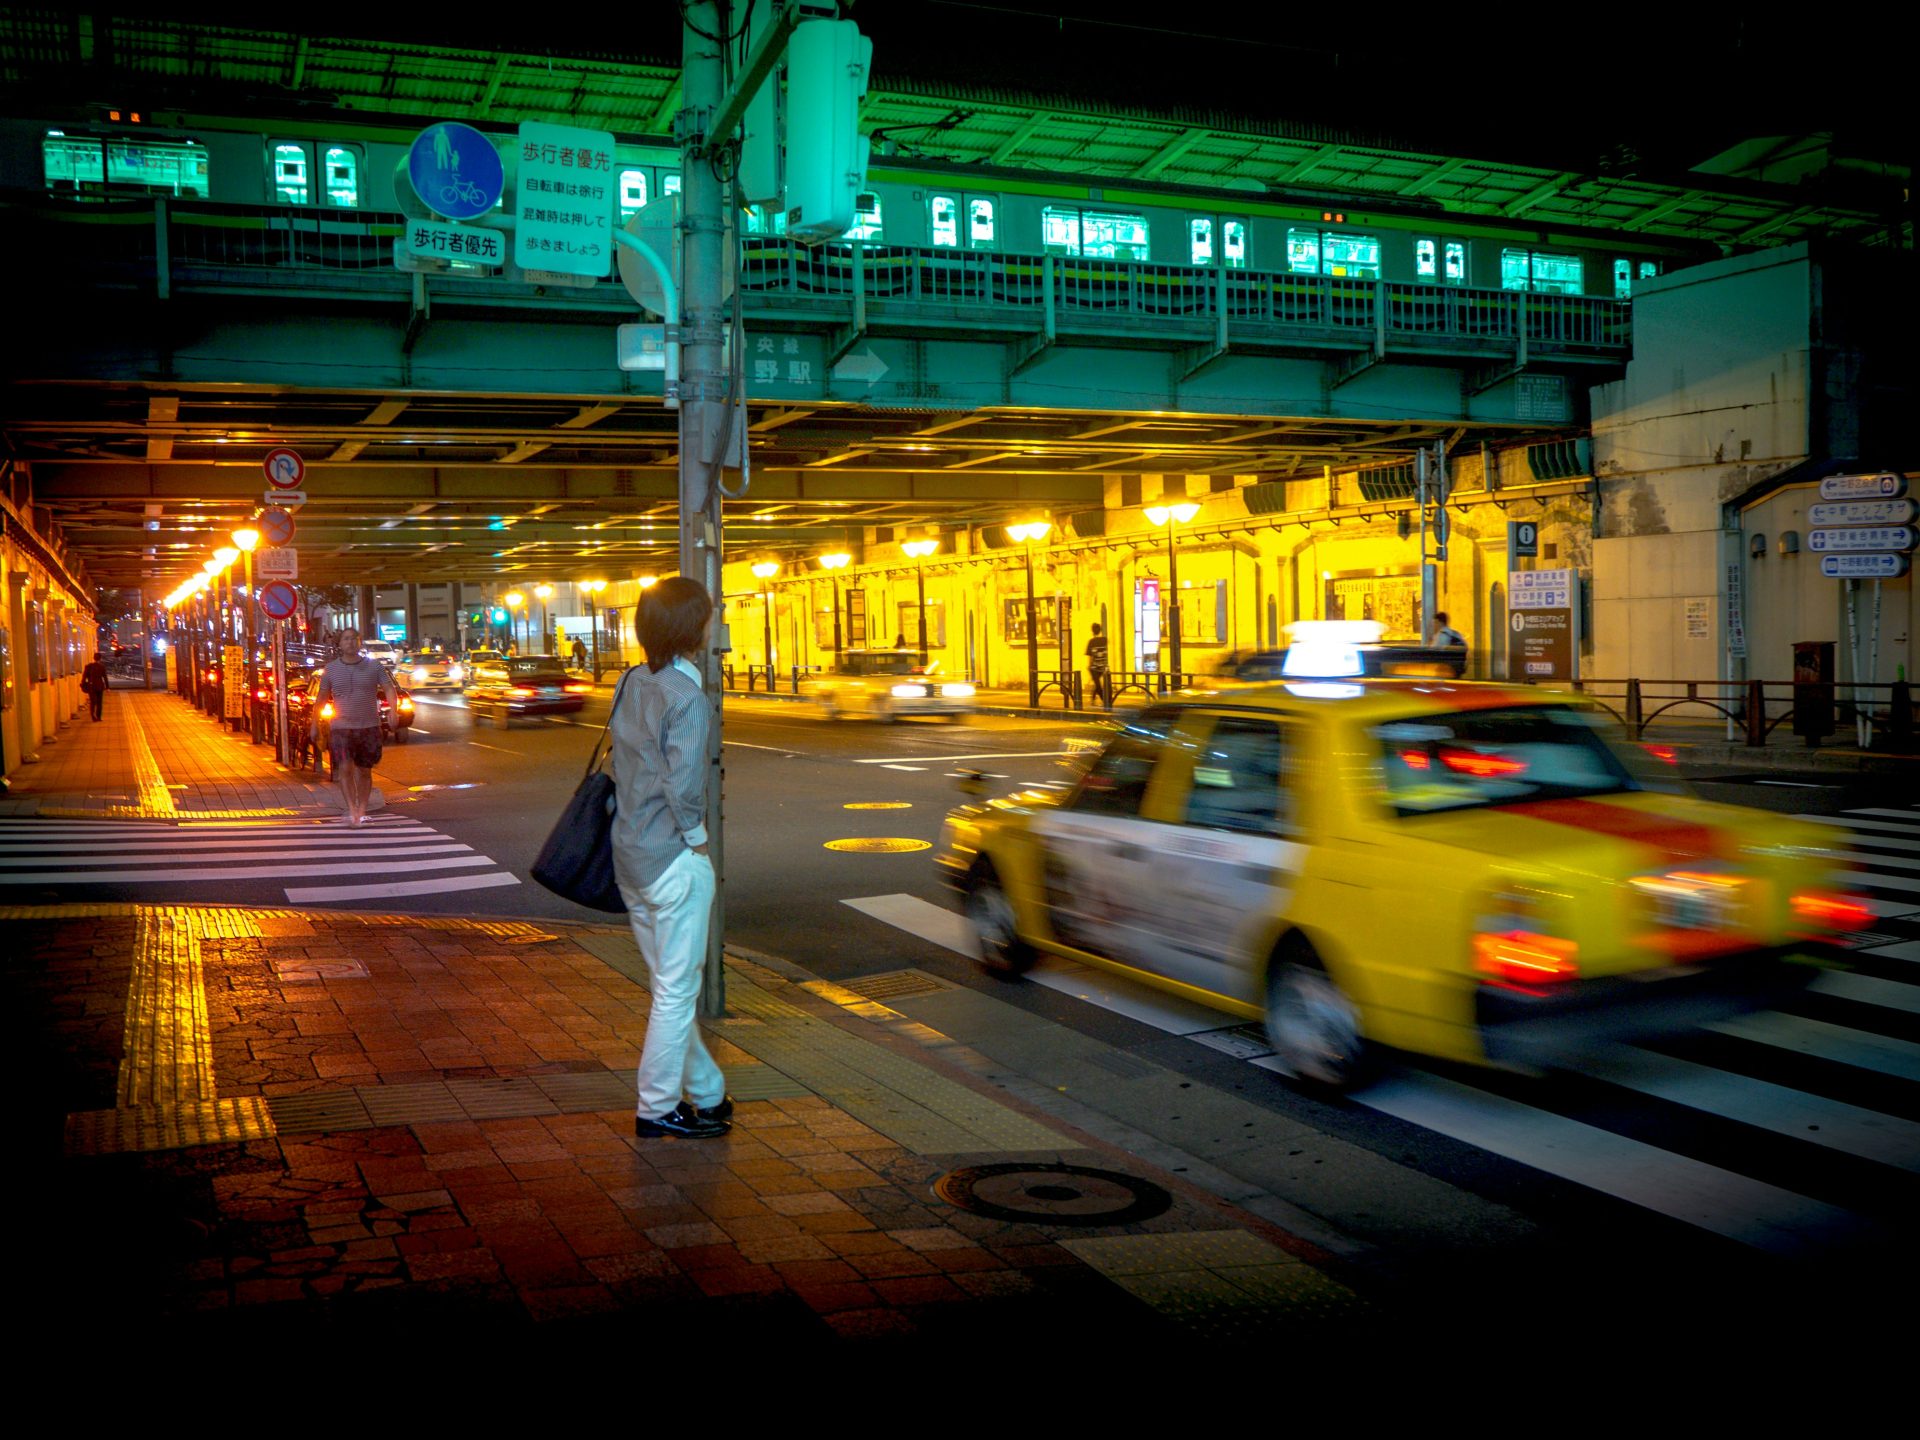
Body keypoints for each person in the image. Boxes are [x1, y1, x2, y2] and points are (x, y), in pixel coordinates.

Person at [610, 577, 731, 1140]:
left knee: (667, 988)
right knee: (678, 992)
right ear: (693, 628)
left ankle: (706, 1091)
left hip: (630, 852)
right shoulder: (687, 694)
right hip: (672, 859)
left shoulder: (630, 681)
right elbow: (683, 786)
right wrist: (699, 840)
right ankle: (656, 1107)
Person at [315, 629, 393, 826]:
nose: (350, 642)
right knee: (345, 768)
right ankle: (352, 809)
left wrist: (394, 710)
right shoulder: (330, 669)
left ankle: (362, 809)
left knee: (365, 770)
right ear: (340, 644)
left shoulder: (374, 666)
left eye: (354, 639)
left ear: (360, 643)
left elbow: (389, 688)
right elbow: (321, 698)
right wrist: (314, 723)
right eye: (346, 639)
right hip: (341, 727)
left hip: (369, 726)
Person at [1085, 622, 1112, 709]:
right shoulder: (1105, 640)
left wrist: (1089, 666)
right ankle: (1092, 700)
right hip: (1103, 666)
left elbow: (1090, 656)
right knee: (1097, 684)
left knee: (1097, 685)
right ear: (1100, 630)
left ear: (1092, 631)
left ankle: (1105, 701)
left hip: (1094, 667)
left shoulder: (1091, 642)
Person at [80, 651, 110, 721]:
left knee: (93, 702)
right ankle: (99, 717)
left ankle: (93, 716)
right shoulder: (102, 667)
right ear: (100, 659)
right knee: (99, 702)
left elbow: (84, 677)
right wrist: (107, 687)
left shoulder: (88, 666)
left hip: (91, 686)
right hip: (100, 686)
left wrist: (83, 684)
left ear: (93, 658)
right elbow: (105, 677)